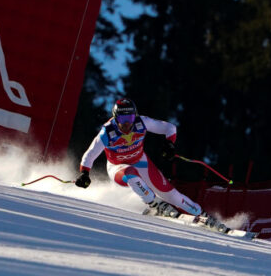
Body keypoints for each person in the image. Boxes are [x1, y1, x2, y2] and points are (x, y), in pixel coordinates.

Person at [75, 97, 223, 229]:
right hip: (117, 167)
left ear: (135, 116)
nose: (127, 124)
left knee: (172, 195)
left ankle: (201, 214)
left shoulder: (142, 122)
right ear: (115, 118)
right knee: (131, 174)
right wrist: (84, 173)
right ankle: (154, 204)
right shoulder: (107, 132)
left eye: (130, 118)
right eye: (122, 119)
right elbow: (90, 154)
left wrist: (169, 144)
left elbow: (170, 128)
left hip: (141, 161)